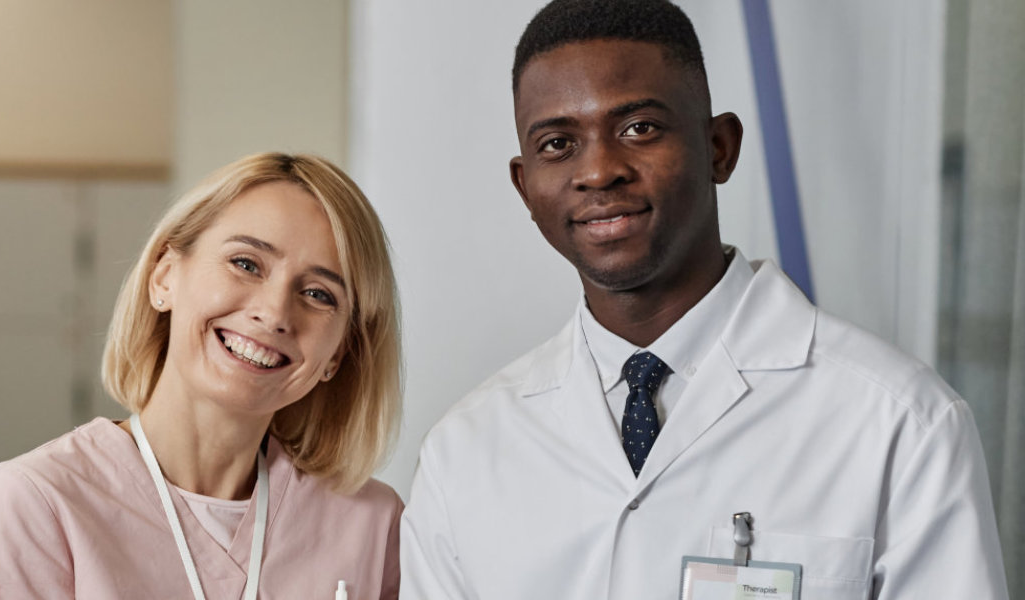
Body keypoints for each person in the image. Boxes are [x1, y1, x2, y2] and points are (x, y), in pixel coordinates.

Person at [398, 1, 1007, 598]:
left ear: (720, 147)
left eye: (639, 128)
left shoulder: (902, 424)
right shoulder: (464, 453)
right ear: (525, 186)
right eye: (558, 144)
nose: (600, 171)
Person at [0, 152, 406, 599]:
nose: (274, 312)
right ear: (164, 277)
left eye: (318, 294)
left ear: (338, 354)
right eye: (246, 264)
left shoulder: (374, 528)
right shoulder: (37, 503)